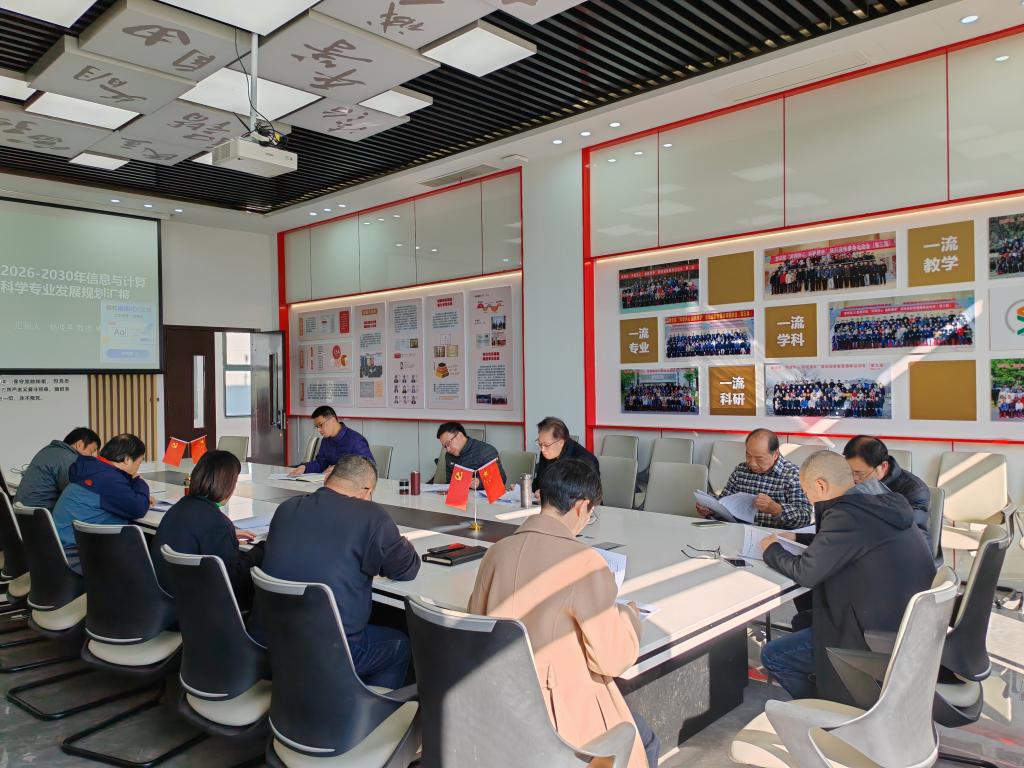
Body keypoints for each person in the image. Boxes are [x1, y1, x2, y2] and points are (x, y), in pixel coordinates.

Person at [468, 459, 659, 768]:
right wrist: (629, 617)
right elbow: (613, 659)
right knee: (644, 738)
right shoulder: (584, 562)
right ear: (581, 506)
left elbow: (474, 623)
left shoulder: (497, 552)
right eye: (591, 513)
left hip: (496, 706)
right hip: (554, 715)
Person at [758, 451, 936, 704]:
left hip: (875, 635)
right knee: (803, 620)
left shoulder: (846, 515)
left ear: (821, 485)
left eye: (807, 492)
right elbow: (849, 540)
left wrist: (771, 549)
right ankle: (833, 692)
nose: (808, 499)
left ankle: (828, 712)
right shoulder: (878, 501)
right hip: (907, 623)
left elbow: (806, 573)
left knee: (773, 655)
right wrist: (798, 537)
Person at [258, 455, 419, 689]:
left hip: (273, 639)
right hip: (332, 650)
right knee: (399, 645)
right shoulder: (370, 516)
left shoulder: (287, 508)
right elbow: (406, 569)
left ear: (328, 479)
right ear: (366, 491)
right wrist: (400, 542)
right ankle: (369, 708)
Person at [151, 450, 264, 611]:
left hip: (168, 598)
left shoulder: (179, 507)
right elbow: (231, 579)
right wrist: (260, 550)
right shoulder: (218, 524)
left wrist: (229, 537)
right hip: (201, 607)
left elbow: (200, 535)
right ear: (227, 484)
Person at [52, 433, 152, 570]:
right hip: (78, 556)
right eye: (139, 462)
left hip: (58, 550)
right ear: (127, 459)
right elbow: (139, 507)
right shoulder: (108, 479)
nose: (137, 467)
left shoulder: (92, 469)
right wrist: (137, 480)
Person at [696, 429, 812, 529]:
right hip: (739, 531)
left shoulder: (793, 475)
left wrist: (776, 509)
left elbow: (805, 517)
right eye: (748, 455)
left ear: (775, 454)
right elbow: (724, 503)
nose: (752, 463)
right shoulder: (740, 470)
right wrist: (711, 509)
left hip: (775, 536)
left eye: (759, 459)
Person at [842, 436, 932, 549]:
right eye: (850, 472)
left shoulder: (914, 490)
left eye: (860, 473)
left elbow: (913, 538)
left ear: (883, 466)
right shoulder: (853, 479)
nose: (854, 479)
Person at [14, 427, 101, 511]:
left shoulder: (47, 450)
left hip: (21, 511)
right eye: (92, 451)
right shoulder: (70, 459)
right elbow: (75, 495)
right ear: (79, 445)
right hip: (41, 514)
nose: (93, 457)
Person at [288, 406, 373, 476]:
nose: (319, 430)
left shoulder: (356, 440)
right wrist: (305, 467)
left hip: (350, 486)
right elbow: (321, 463)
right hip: (329, 483)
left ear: (332, 420)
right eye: (316, 427)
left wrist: (340, 469)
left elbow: (370, 468)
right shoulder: (326, 440)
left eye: (320, 425)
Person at [533, 416, 599, 490]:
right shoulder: (546, 452)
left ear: (561, 442)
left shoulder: (585, 460)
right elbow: (539, 481)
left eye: (546, 445)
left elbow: (584, 493)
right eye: (540, 444)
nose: (542, 449)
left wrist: (545, 493)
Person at [436, 422, 507, 485]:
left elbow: (501, 479)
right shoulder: (449, 455)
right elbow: (450, 483)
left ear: (459, 435)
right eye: (445, 446)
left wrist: (479, 482)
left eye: (448, 443)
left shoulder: (486, 451)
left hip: (482, 495)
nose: (448, 449)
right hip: (460, 495)